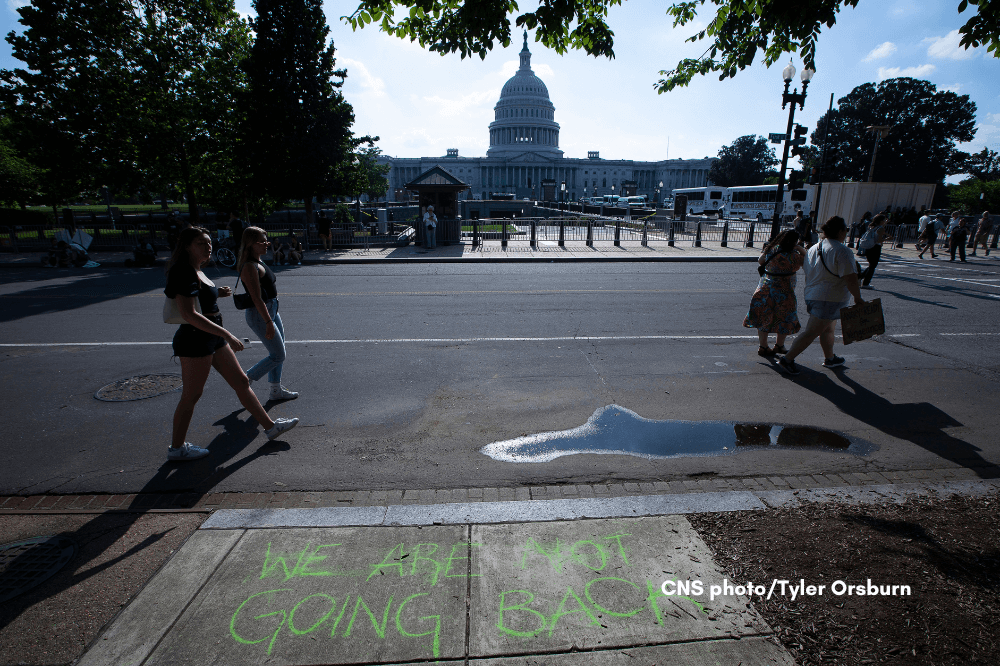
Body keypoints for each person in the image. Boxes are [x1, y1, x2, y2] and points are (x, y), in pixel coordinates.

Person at [164, 226, 298, 461]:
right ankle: (177, 449)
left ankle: (270, 427)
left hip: (211, 336)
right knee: (191, 395)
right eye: (201, 243)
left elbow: (202, 300)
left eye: (209, 243)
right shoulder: (182, 271)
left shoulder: (198, 269)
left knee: (242, 381)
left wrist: (219, 294)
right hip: (195, 340)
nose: (208, 247)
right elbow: (189, 314)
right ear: (186, 246)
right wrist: (227, 334)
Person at [775, 216, 864, 376]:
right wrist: (857, 297)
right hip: (830, 298)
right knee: (812, 331)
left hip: (814, 295)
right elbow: (851, 278)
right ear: (841, 231)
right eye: (846, 230)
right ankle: (787, 359)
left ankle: (830, 357)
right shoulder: (842, 251)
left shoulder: (814, 248)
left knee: (828, 329)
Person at [237, 227, 299, 402]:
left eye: (267, 241)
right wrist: (268, 322)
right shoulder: (249, 266)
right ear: (250, 244)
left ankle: (275, 390)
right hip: (261, 314)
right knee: (278, 355)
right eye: (262, 242)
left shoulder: (258, 261)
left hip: (271, 310)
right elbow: (257, 298)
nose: (266, 244)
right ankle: (244, 379)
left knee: (278, 352)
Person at [744, 229, 806, 358]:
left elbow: (761, 261)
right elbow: (807, 263)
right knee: (784, 318)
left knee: (763, 317)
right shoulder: (794, 255)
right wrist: (800, 248)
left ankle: (763, 346)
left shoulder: (771, 249)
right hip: (785, 292)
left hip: (765, 289)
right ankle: (779, 345)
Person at [858, 213, 888, 289]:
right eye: (884, 220)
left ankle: (860, 277)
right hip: (876, 248)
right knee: (873, 266)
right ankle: (866, 283)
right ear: (881, 221)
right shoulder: (880, 229)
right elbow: (879, 240)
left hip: (869, 247)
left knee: (871, 265)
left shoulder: (871, 227)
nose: (885, 221)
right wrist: (887, 239)